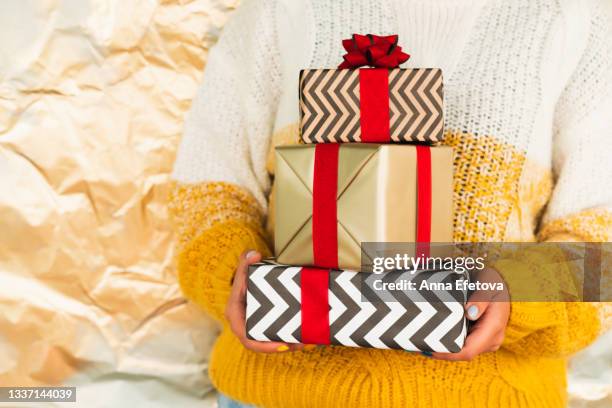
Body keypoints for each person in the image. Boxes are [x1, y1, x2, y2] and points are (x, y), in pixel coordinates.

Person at [170, 0, 612, 407]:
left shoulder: (579, 20)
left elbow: (601, 256)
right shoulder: (282, 9)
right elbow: (208, 195)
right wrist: (242, 280)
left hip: (487, 395)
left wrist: (513, 293)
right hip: (276, 389)